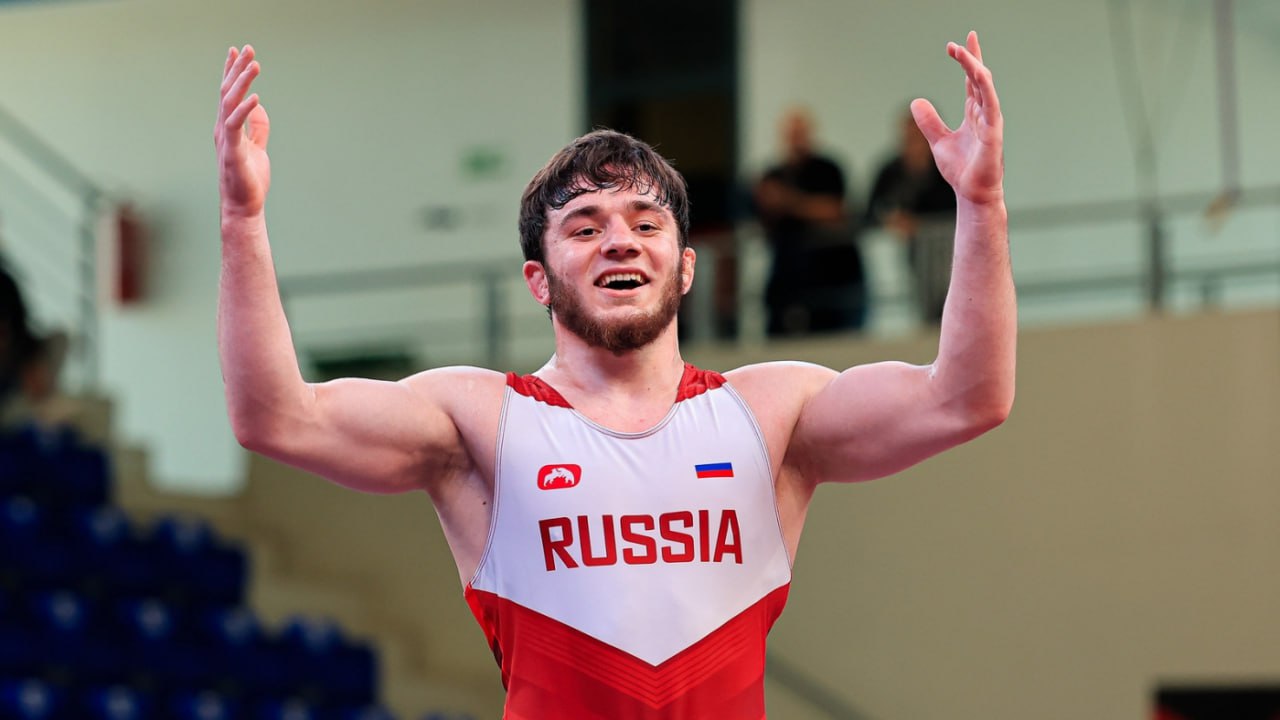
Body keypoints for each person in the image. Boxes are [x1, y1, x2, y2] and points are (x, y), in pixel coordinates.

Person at [216, 31, 1013, 719]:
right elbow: (278, 418)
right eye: (584, 227)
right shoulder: (479, 420)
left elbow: (967, 398)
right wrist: (242, 219)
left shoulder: (772, 413)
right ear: (538, 280)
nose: (619, 241)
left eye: (645, 222)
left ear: (686, 267)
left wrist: (980, 203)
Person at [753, 107, 866, 336]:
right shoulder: (773, 174)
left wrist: (788, 201)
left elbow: (834, 211)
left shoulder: (827, 169)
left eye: (800, 133)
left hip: (831, 271)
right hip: (788, 272)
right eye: (791, 134)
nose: (796, 139)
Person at [865, 107, 960, 325]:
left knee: (944, 300)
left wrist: (920, 224)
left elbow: (958, 205)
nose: (913, 143)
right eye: (908, 137)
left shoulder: (946, 165)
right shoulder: (890, 171)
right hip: (903, 254)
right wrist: (890, 220)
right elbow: (870, 211)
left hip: (943, 251)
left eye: (918, 136)